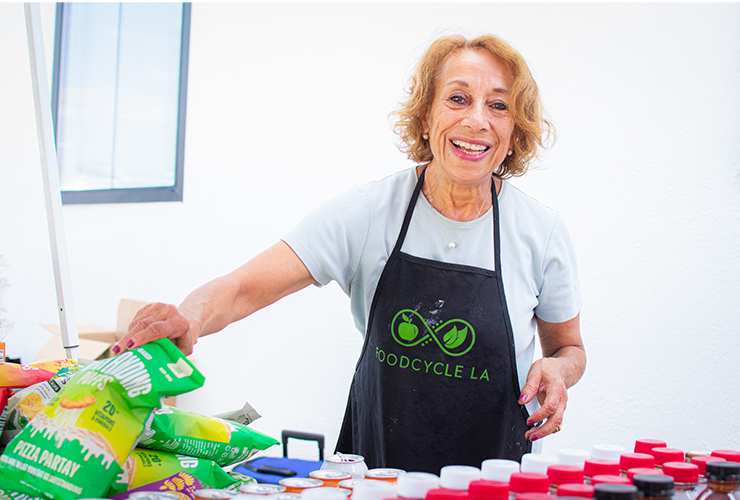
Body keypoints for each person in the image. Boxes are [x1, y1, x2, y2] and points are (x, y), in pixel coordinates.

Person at [113, 33, 586, 474]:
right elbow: (241, 289)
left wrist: (559, 370)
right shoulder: (368, 214)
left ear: (514, 129)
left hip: (498, 480)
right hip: (377, 478)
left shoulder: (539, 232)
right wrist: (189, 318)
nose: (476, 120)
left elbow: (570, 348)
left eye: (498, 105)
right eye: (458, 98)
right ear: (426, 114)